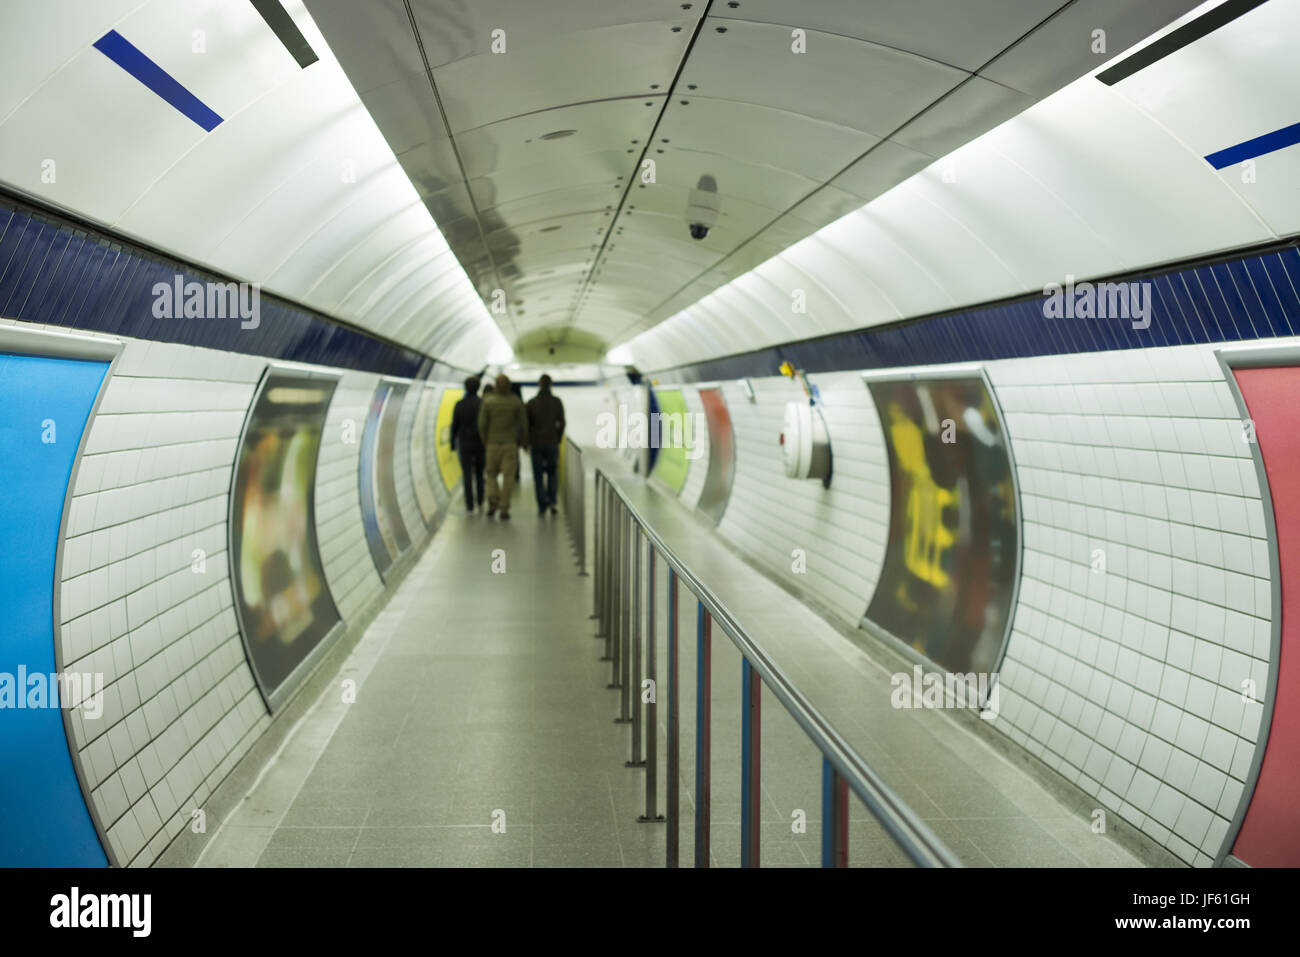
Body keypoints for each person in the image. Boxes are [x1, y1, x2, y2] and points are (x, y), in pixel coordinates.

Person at [477, 372, 528, 520]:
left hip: (492, 444)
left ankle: (494, 500)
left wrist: (485, 440)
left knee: (491, 474)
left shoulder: (488, 401)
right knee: (508, 476)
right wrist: (523, 441)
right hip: (510, 444)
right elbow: (523, 424)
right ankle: (504, 507)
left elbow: (481, 425)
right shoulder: (515, 402)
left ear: (496, 386)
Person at [526, 374, 566, 515]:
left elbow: (527, 425)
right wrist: (558, 437)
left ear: (539, 384)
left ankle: (542, 505)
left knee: (538, 476)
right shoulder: (557, 402)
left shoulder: (531, 403)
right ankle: (553, 502)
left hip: (536, 442)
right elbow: (562, 422)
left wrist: (527, 441)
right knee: (552, 473)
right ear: (551, 384)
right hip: (552, 441)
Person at [449, 376, 485, 513]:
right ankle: (480, 500)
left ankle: (470, 505)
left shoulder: (459, 404)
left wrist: (452, 442)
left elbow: (455, 425)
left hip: (464, 442)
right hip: (480, 442)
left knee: (467, 474)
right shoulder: (483, 404)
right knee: (480, 472)